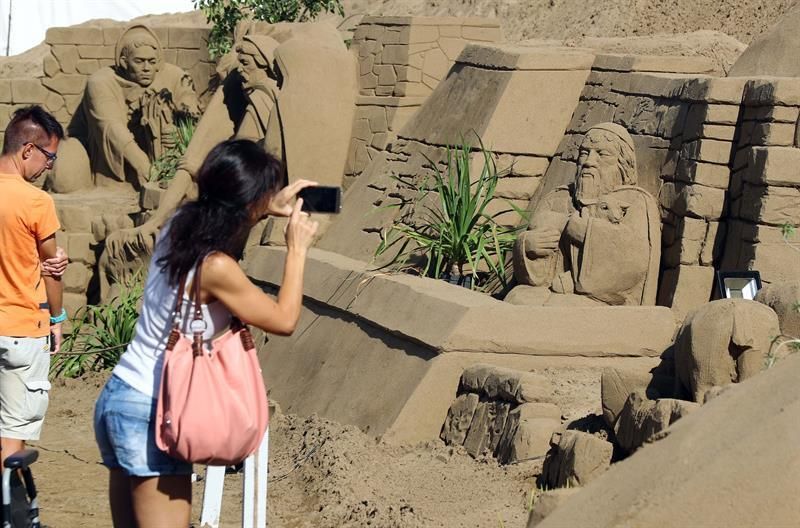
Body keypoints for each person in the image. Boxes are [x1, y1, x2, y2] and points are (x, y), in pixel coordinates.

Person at [93, 139, 318, 527]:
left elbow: (224, 211)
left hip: (120, 396)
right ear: (246, 204)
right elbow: (284, 320)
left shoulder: (178, 225)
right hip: (154, 410)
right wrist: (296, 250)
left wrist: (264, 206)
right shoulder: (215, 268)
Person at [507, 122, 661, 306]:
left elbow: (635, 263)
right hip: (550, 291)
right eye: (584, 153)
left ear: (623, 165)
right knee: (518, 297)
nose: (589, 162)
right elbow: (534, 267)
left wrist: (587, 231)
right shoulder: (557, 198)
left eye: (602, 154)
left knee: (563, 306)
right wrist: (526, 246)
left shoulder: (634, 201)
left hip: (604, 300)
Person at [53, 24, 200, 192]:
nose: (146, 68)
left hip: (166, 162)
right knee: (65, 179)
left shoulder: (174, 76)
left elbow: (192, 110)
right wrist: (143, 165)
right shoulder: (101, 82)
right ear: (123, 62)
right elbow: (111, 127)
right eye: (139, 61)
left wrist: (178, 132)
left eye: (152, 62)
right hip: (112, 167)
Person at [0, 106, 68, 468]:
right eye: (50, 156)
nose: (50, 166)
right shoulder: (36, 201)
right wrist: (57, 317)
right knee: (11, 435)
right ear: (28, 150)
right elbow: (51, 270)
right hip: (21, 331)